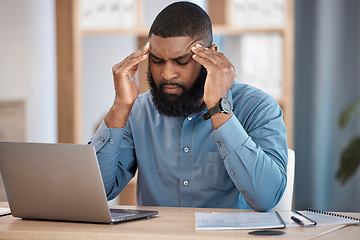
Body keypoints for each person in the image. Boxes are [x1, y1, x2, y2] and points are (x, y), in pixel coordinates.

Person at [89, 1, 288, 211]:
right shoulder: (138, 111)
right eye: (157, 61)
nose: (167, 74)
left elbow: (266, 198)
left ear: (210, 56)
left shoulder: (259, 107)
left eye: (181, 62)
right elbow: (96, 192)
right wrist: (121, 105)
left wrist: (219, 108)